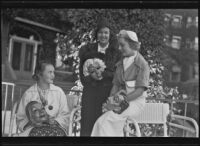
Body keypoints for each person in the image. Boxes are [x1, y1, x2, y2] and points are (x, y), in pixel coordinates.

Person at [91, 30, 150, 136]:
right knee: (100, 122)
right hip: (121, 102)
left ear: (132, 45)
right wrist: (110, 101)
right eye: (119, 45)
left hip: (135, 103)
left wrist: (122, 101)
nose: (119, 48)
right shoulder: (120, 64)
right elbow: (116, 85)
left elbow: (140, 91)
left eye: (122, 45)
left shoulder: (142, 65)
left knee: (107, 121)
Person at [79, 17, 121, 136]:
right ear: (97, 34)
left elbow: (118, 76)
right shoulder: (86, 50)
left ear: (110, 34)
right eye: (100, 32)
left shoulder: (116, 53)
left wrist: (104, 74)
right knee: (87, 125)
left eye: (106, 32)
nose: (103, 35)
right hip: (90, 95)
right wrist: (92, 76)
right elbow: (82, 76)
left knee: (104, 127)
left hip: (106, 95)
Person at [16, 60, 70, 136]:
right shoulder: (28, 94)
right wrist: (33, 122)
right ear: (39, 74)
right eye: (49, 72)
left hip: (55, 129)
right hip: (34, 130)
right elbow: (20, 118)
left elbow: (65, 115)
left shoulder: (59, 92)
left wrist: (55, 122)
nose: (53, 75)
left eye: (53, 72)